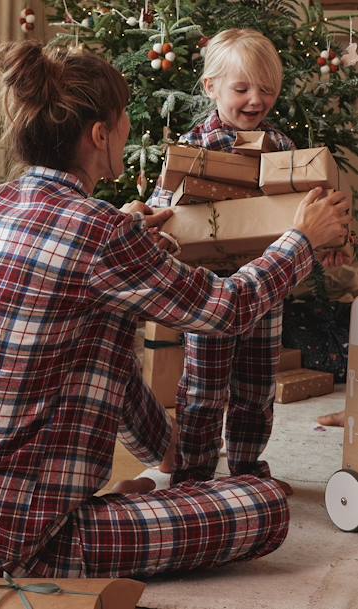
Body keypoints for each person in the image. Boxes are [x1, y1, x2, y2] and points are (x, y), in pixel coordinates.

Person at [0, 40, 349, 580]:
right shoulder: (101, 234)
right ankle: (91, 522)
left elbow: (85, 297)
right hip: (13, 534)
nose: (126, 130)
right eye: (121, 121)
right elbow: (227, 308)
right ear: (99, 134)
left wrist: (129, 234)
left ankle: (137, 492)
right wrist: (301, 239)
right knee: (264, 507)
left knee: (106, 344)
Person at [146, 28, 349, 491]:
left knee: (257, 387)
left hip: (266, 291)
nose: (256, 100)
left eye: (268, 90)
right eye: (241, 89)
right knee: (203, 390)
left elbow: (302, 217)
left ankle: (247, 468)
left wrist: (326, 244)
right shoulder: (192, 150)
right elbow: (166, 213)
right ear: (211, 87)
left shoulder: (281, 148)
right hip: (210, 292)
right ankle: (194, 474)